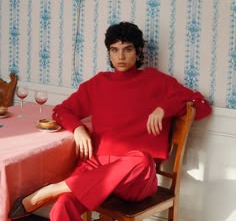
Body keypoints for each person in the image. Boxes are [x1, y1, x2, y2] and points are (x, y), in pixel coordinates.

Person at [9, 21, 212, 220]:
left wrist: (164, 109)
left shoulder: (156, 81)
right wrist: (78, 128)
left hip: (136, 178)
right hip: (96, 168)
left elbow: (201, 104)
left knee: (142, 159)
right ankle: (60, 191)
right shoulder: (98, 84)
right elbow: (62, 111)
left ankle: (54, 189)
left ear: (139, 51)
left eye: (127, 49)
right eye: (114, 50)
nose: (120, 56)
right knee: (62, 206)